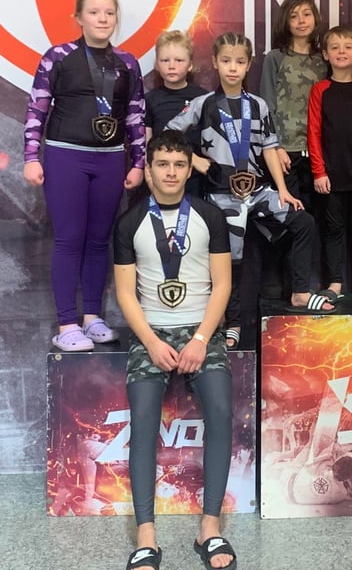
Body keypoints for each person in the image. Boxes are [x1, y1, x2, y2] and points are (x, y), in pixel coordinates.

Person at [113, 130, 236, 570]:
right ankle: (146, 535)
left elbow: (222, 284)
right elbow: (125, 293)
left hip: (202, 331)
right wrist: (150, 341)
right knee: (144, 419)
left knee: (221, 411)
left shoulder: (209, 216)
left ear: (189, 170)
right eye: (162, 164)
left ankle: (210, 528)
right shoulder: (129, 222)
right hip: (152, 334)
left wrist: (201, 339)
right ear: (148, 171)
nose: (170, 172)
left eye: (179, 165)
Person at [167, 32, 334, 314]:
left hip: (257, 192)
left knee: (303, 222)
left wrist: (282, 190)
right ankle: (229, 318)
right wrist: (194, 160)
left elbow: (269, 149)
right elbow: (168, 134)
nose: (233, 68)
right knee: (230, 257)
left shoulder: (258, 105)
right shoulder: (203, 104)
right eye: (226, 61)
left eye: (240, 62)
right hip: (222, 195)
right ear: (215, 62)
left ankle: (300, 293)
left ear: (248, 65)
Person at [23, 0, 145, 352]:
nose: (103, 19)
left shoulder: (128, 63)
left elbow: (136, 115)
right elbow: (37, 108)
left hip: (110, 159)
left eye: (109, 12)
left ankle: (92, 318)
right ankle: (67, 325)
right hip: (66, 156)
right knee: (69, 239)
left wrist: (138, 162)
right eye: (94, 12)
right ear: (79, 18)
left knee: (98, 240)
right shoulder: (58, 57)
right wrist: (31, 156)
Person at [307, 26, 352, 304]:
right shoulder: (320, 90)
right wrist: (319, 171)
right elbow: (313, 132)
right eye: (335, 47)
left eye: (348, 47)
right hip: (330, 174)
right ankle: (335, 283)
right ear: (326, 54)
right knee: (332, 229)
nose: (342, 52)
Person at [259, 0, 328, 207]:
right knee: (292, 213)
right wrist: (276, 147)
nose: (301, 21)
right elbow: (267, 107)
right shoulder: (275, 58)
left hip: (318, 150)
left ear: (315, 18)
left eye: (306, 14)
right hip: (286, 151)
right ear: (285, 22)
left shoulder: (324, 60)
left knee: (318, 213)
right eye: (294, 16)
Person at [145, 31, 208, 199]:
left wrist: (195, 160)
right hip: (162, 176)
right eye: (165, 60)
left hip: (195, 177)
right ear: (157, 64)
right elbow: (147, 144)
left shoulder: (203, 98)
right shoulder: (150, 100)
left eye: (179, 60)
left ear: (190, 65)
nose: (171, 66)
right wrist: (150, 177)